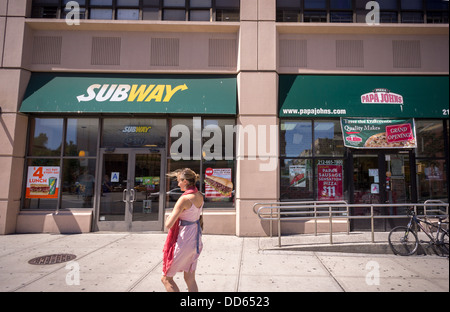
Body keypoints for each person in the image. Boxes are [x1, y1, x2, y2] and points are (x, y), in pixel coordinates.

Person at [161, 168, 203, 292]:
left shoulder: (184, 199)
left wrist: (169, 216)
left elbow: (169, 224)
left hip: (184, 239)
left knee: (166, 278)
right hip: (195, 239)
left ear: (185, 181)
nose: (178, 184)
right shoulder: (199, 195)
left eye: (179, 181)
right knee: (190, 278)